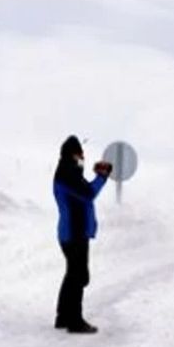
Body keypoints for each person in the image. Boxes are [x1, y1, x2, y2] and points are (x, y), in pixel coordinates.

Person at [53, 135, 112, 333]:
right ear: (72, 154)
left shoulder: (69, 172)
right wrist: (102, 177)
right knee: (79, 276)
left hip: (72, 232)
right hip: (74, 233)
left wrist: (97, 176)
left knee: (73, 274)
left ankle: (63, 316)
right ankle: (75, 321)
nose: (83, 157)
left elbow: (83, 193)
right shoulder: (68, 173)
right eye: (80, 153)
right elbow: (88, 194)